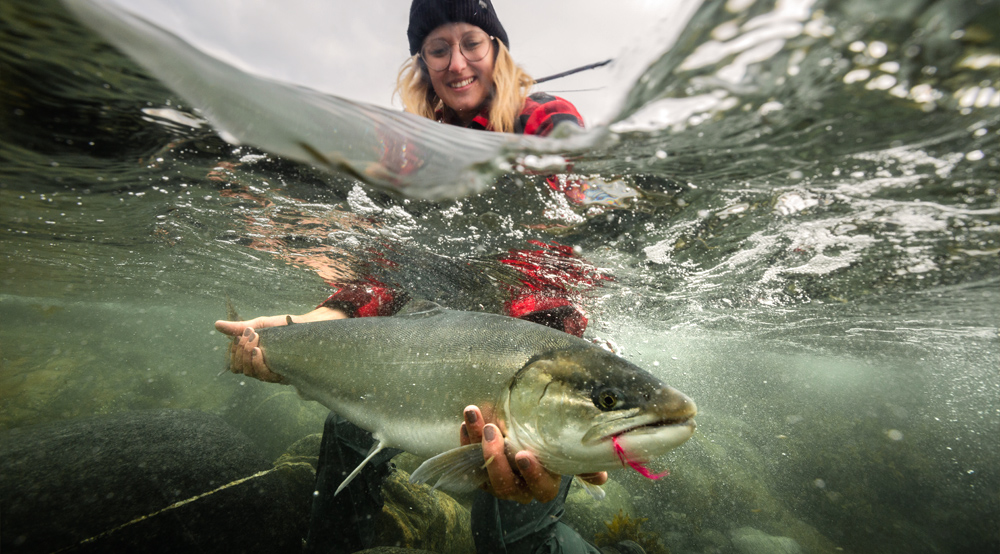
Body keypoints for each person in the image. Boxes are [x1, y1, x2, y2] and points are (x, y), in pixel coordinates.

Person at [216, 1, 640, 552]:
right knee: (345, 436)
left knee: (513, 532)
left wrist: (601, 189)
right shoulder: (408, 150)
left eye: (472, 43)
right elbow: (386, 271)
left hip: (534, 335)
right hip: (429, 325)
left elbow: (580, 164)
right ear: (422, 63)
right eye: (438, 49)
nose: (456, 63)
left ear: (497, 50)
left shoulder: (541, 113)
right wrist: (302, 326)